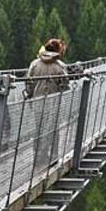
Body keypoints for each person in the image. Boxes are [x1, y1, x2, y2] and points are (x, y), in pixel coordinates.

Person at [25, 38, 70, 169]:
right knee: (54, 130)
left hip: (38, 102)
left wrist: (31, 94)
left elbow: (28, 84)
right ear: (58, 51)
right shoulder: (60, 66)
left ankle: (38, 158)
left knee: (38, 129)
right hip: (54, 103)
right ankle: (53, 157)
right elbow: (65, 86)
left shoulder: (34, 64)